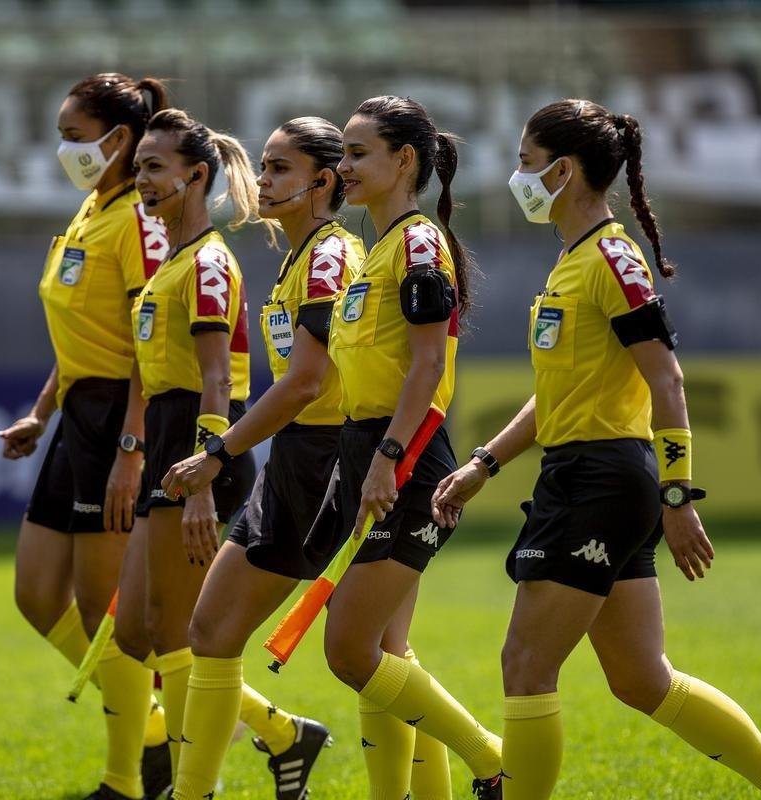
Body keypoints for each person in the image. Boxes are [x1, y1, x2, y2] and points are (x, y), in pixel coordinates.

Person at [431, 98, 761, 800]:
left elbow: (667, 380)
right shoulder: (574, 259)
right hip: (588, 474)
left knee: (524, 665)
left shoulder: (610, 258)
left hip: (601, 479)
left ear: (564, 170)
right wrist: (484, 463)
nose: (518, 177)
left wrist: (678, 499)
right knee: (643, 680)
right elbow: (556, 395)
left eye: (526, 163)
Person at [159, 116, 398, 800]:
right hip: (301, 455)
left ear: (322, 181)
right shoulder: (301, 257)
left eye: (279, 169)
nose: (262, 181)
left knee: (372, 653)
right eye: (262, 167)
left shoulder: (329, 257)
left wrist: (218, 452)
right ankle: (195, 789)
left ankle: (484, 760)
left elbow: (306, 382)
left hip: (332, 458)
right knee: (208, 631)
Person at [303, 95, 505, 800]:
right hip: (372, 451)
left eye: (358, 153)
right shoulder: (381, 247)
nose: (343, 166)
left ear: (405, 160)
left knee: (349, 648)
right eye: (343, 154)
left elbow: (426, 367)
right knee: (385, 652)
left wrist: (388, 460)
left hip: (406, 460)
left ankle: (490, 758)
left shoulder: (419, 243)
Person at [115, 107, 311, 797]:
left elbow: (216, 380)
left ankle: (192, 783)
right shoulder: (169, 259)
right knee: (135, 631)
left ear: (196, 175)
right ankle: (283, 732)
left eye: (153, 167)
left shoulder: (206, 262)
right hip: (170, 445)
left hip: (199, 448)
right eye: (139, 166)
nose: (140, 179)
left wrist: (204, 478)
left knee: (176, 633)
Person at [0, 73, 172, 800]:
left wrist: (132, 450)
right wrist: (43, 412)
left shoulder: (141, 218)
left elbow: (148, 345)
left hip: (120, 423)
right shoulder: (87, 211)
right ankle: (186, 724)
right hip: (76, 415)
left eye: (73, 136)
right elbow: (80, 338)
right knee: (38, 597)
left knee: (111, 617)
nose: (63, 149)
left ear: (119, 139)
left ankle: (126, 778)